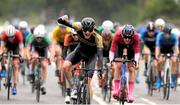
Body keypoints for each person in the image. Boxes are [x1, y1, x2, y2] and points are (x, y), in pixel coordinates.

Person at [57, 15, 103, 104]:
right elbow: (61, 22)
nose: (87, 32)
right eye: (85, 30)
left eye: (89, 30)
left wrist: (100, 69)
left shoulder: (98, 37)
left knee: (88, 81)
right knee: (65, 66)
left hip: (91, 57)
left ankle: (88, 101)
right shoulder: (78, 26)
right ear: (82, 27)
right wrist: (64, 18)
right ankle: (73, 86)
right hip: (79, 52)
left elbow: (100, 55)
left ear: (93, 29)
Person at [109, 24, 140, 103]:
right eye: (125, 37)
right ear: (122, 34)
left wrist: (136, 61)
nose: (127, 39)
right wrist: (111, 61)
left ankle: (130, 94)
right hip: (119, 47)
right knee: (118, 65)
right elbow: (112, 49)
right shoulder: (118, 34)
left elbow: (137, 51)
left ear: (132, 36)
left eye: (129, 37)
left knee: (131, 69)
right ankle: (116, 89)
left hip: (131, 48)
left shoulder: (136, 36)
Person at [26, 24, 53, 94]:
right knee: (35, 58)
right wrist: (29, 57)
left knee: (44, 65)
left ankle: (43, 83)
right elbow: (28, 49)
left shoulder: (46, 39)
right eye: (37, 38)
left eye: (40, 38)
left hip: (44, 51)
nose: (39, 39)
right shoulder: (32, 38)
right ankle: (32, 71)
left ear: (43, 37)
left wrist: (51, 57)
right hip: (35, 51)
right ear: (35, 36)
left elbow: (51, 49)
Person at [0, 25, 24, 95]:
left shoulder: (18, 35)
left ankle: (14, 86)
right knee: (3, 54)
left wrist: (21, 55)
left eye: (12, 37)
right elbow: (1, 47)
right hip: (7, 46)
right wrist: (1, 54)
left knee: (16, 66)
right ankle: (3, 69)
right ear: (7, 35)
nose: (10, 38)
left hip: (15, 47)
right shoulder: (4, 35)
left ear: (14, 35)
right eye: (9, 37)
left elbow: (21, 48)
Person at [154, 24, 179, 89]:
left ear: (171, 33)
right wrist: (157, 56)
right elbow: (157, 47)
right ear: (163, 32)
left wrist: (177, 55)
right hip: (162, 50)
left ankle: (172, 80)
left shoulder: (174, 36)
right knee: (160, 61)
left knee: (174, 60)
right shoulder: (159, 36)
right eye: (166, 34)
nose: (167, 35)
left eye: (168, 34)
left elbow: (176, 47)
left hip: (170, 50)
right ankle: (159, 80)